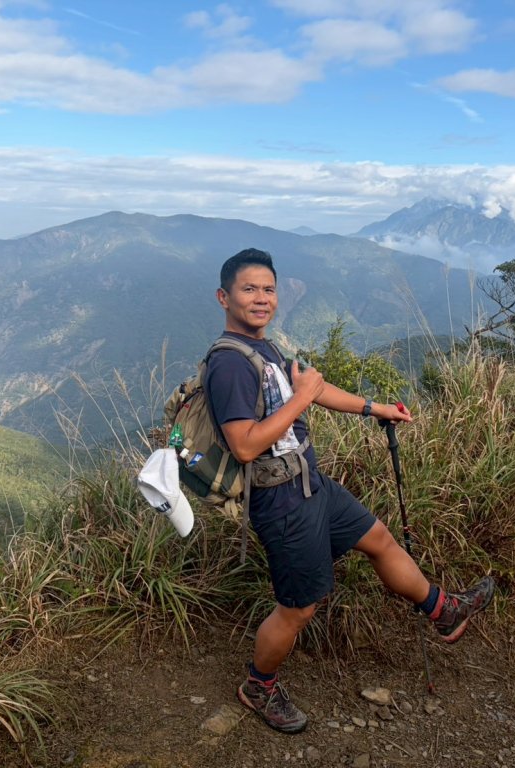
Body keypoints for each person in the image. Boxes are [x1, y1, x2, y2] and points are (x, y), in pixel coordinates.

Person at [205, 248, 494, 734]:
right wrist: (300, 398)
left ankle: (443, 610)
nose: (261, 298)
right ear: (224, 297)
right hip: (281, 501)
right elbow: (245, 446)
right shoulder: (229, 365)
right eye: (249, 289)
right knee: (298, 607)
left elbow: (316, 389)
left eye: (269, 289)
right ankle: (258, 685)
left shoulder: (266, 348)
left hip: (310, 483)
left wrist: (374, 407)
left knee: (378, 538)